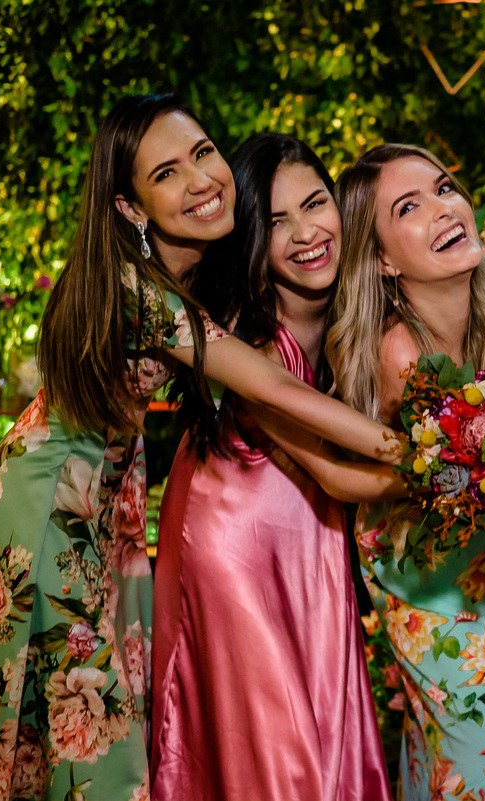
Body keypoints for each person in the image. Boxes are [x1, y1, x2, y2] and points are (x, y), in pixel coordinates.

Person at [0, 94, 397, 801]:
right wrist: (410, 446)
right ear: (131, 207)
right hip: (43, 511)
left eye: (203, 153)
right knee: (91, 747)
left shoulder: (189, 276)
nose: (202, 179)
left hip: (99, 505)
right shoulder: (139, 288)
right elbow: (273, 386)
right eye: (167, 173)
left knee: (89, 736)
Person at [150, 133, 396, 801]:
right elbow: (343, 478)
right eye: (276, 221)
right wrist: (463, 463)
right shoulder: (260, 341)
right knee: (273, 754)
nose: (305, 232)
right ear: (253, 242)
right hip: (233, 553)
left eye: (315, 204)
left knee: (317, 736)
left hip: (307, 547)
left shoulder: (355, 327)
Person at [326, 143, 485, 801]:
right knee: (482, 775)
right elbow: (477, 461)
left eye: (443, 187)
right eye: (410, 207)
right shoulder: (398, 350)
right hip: (445, 597)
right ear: (380, 258)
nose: (444, 209)